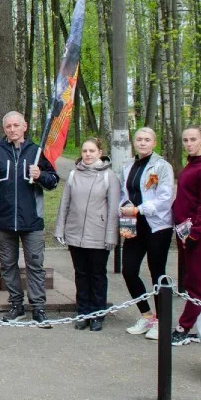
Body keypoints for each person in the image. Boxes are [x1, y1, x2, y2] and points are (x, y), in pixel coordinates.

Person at [0, 111, 59, 326]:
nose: (12, 129)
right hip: (4, 221)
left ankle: (38, 307)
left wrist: (41, 175)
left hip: (32, 221)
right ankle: (16, 305)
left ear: (25, 126)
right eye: (8, 126)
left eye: (16, 125)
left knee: (35, 265)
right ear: (4, 129)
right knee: (7, 265)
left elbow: (54, 181)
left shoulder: (37, 152)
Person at [54, 138, 119, 331]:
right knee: (81, 275)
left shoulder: (109, 176)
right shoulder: (74, 174)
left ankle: (98, 313)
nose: (88, 154)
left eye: (92, 151)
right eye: (85, 151)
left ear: (100, 152)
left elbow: (113, 208)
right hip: (75, 234)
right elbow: (65, 203)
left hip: (98, 235)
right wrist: (60, 228)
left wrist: (111, 236)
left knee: (97, 275)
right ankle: (83, 312)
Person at [119, 127, 174, 340]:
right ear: (134, 142)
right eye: (139, 139)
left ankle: (163, 320)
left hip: (157, 226)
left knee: (157, 272)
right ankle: (147, 315)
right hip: (133, 224)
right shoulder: (128, 165)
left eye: (147, 139)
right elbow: (124, 193)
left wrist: (139, 209)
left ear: (154, 143)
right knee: (129, 270)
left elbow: (164, 198)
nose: (142, 143)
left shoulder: (162, 166)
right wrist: (125, 208)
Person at [170, 126, 201, 346]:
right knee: (200, 279)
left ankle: (184, 327)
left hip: (197, 235)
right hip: (185, 233)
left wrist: (194, 235)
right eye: (185, 140)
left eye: (193, 139)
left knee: (194, 283)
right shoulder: (191, 166)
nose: (189, 144)